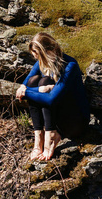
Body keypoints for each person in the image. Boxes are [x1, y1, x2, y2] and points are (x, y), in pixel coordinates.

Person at [16, 32, 90, 161]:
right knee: (34, 81)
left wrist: (28, 92)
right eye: (37, 58)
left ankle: (51, 135)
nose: (40, 61)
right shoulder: (42, 62)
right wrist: (40, 89)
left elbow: (51, 99)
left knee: (43, 83)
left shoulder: (70, 66)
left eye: (41, 57)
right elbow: (24, 85)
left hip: (74, 122)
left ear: (52, 50)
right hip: (58, 118)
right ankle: (39, 137)